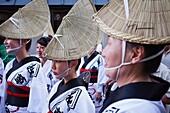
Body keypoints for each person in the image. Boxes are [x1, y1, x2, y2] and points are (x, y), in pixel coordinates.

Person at [93, 0, 170, 113]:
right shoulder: (134, 100)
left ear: (135, 54)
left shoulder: (140, 109)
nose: (103, 53)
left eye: (109, 43)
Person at [42, 0, 99, 112]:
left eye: (58, 61)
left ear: (73, 63)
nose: (52, 66)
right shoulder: (57, 86)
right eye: (52, 61)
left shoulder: (81, 96)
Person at [0, 0, 50, 112]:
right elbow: (4, 97)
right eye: (5, 38)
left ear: (25, 40)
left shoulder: (35, 68)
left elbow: (38, 104)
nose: (5, 42)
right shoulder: (9, 65)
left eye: (9, 38)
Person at [78, 46, 108, 113]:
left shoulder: (99, 58)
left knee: (95, 106)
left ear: (95, 47)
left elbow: (102, 73)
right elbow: (78, 71)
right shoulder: (82, 57)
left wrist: (99, 90)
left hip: (94, 86)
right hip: (83, 85)